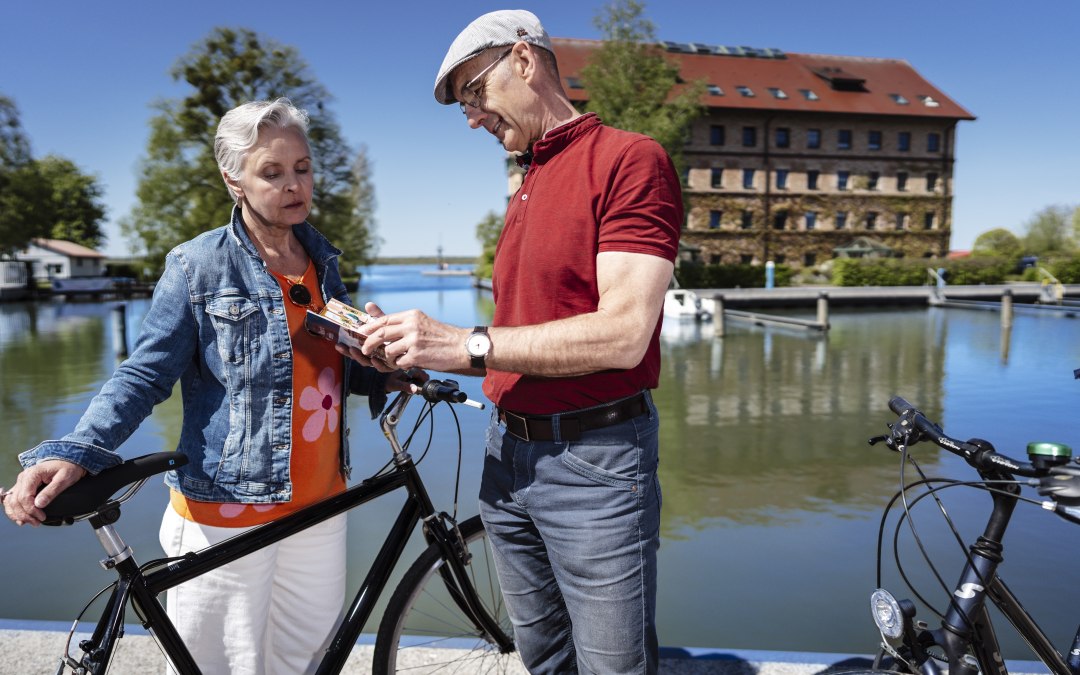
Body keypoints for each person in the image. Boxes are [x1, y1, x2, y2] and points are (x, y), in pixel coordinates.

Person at [1, 98, 417, 675]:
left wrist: (381, 365)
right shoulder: (198, 266)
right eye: (272, 172)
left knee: (304, 662)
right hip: (227, 506)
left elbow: (317, 369)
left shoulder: (321, 261)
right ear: (234, 180)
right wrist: (77, 451)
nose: (294, 185)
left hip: (323, 502)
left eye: (303, 167)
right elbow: (145, 373)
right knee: (221, 667)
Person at [346, 10, 682, 674]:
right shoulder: (526, 180)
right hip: (508, 455)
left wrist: (461, 343)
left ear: (523, 62)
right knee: (544, 657)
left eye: (475, 94)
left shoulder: (629, 159)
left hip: (594, 458)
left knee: (614, 665)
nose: (471, 117)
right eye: (464, 106)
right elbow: (521, 333)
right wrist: (408, 351)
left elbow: (623, 333)